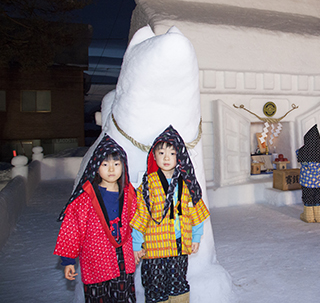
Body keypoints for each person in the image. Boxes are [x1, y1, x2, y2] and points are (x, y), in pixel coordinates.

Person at [131, 125, 210, 303]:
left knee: (179, 283)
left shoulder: (187, 184)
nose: (167, 158)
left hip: (179, 246)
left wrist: (196, 237)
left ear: (180, 156)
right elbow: (140, 216)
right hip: (154, 248)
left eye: (172, 153)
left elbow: (195, 211)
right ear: (154, 156)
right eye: (161, 153)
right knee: (155, 286)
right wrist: (137, 244)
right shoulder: (148, 186)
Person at [54, 135, 137, 302]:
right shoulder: (85, 198)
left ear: (123, 166)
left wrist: (137, 246)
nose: (111, 169)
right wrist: (68, 260)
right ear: (95, 167)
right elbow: (72, 229)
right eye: (105, 164)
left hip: (122, 262)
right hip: (96, 263)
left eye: (116, 164)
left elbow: (137, 222)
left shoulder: (129, 194)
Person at [297, 125, 320, 223]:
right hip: (317, 181)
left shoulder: (304, 151)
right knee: (318, 194)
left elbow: (298, 155)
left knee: (307, 196)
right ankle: (319, 216)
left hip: (306, 181)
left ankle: (308, 217)